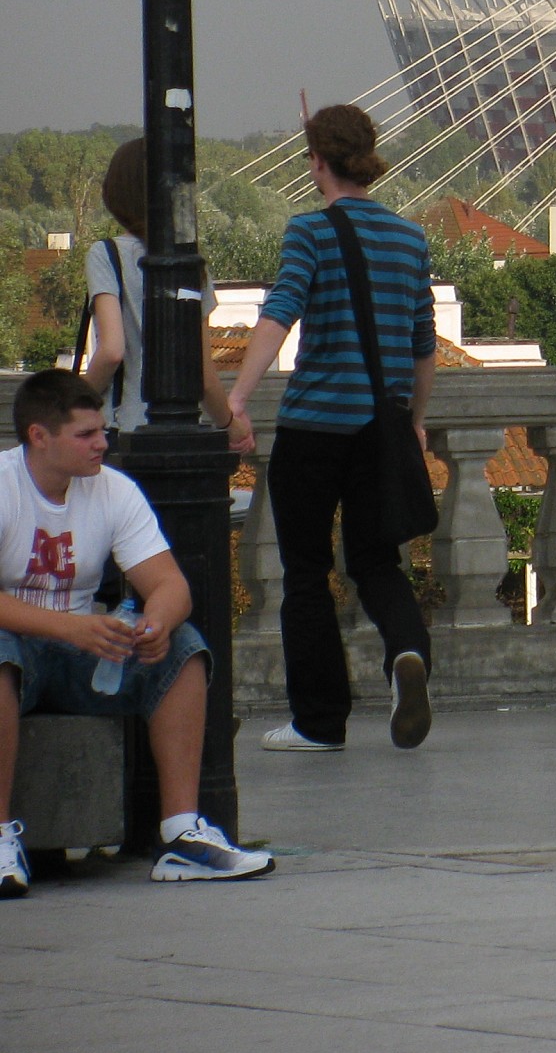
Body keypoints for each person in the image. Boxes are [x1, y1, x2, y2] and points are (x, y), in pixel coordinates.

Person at [0, 371, 275, 895]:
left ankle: (180, 834)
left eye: (102, 430)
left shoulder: (113, 489)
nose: (102, 443)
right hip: (20, 644)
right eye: (85, 435)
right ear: (39, 436)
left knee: (185, 649)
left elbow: (170, 583)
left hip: (84, 649)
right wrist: (70, 628)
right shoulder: (4, 484)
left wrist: (158, 622)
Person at [225, 105, 435, 755]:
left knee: (307, 572)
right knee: (377, 561)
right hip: (381, 430)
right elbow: (423, 344)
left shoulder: (309, 232)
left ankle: (319, 721)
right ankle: (406, 653)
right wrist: (416, 422)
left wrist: (235, 398)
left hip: (315, 429)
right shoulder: (409, 239)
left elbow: (278, 314)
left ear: (317, 163)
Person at [78, 136, 254, 454]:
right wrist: (231, 426)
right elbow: (202, 373)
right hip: (183, 436)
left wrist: (68, 406)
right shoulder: (191, 262)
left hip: (124, 432)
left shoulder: (106, 254)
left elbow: (112, 351)